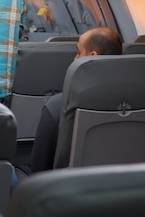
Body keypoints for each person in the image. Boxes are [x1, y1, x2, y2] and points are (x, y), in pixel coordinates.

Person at [29, 26, 123, 173]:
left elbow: (39, 167)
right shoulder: (140, 102)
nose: (75, 58)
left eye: (79, 52)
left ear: (92, 55)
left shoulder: (58, 105)